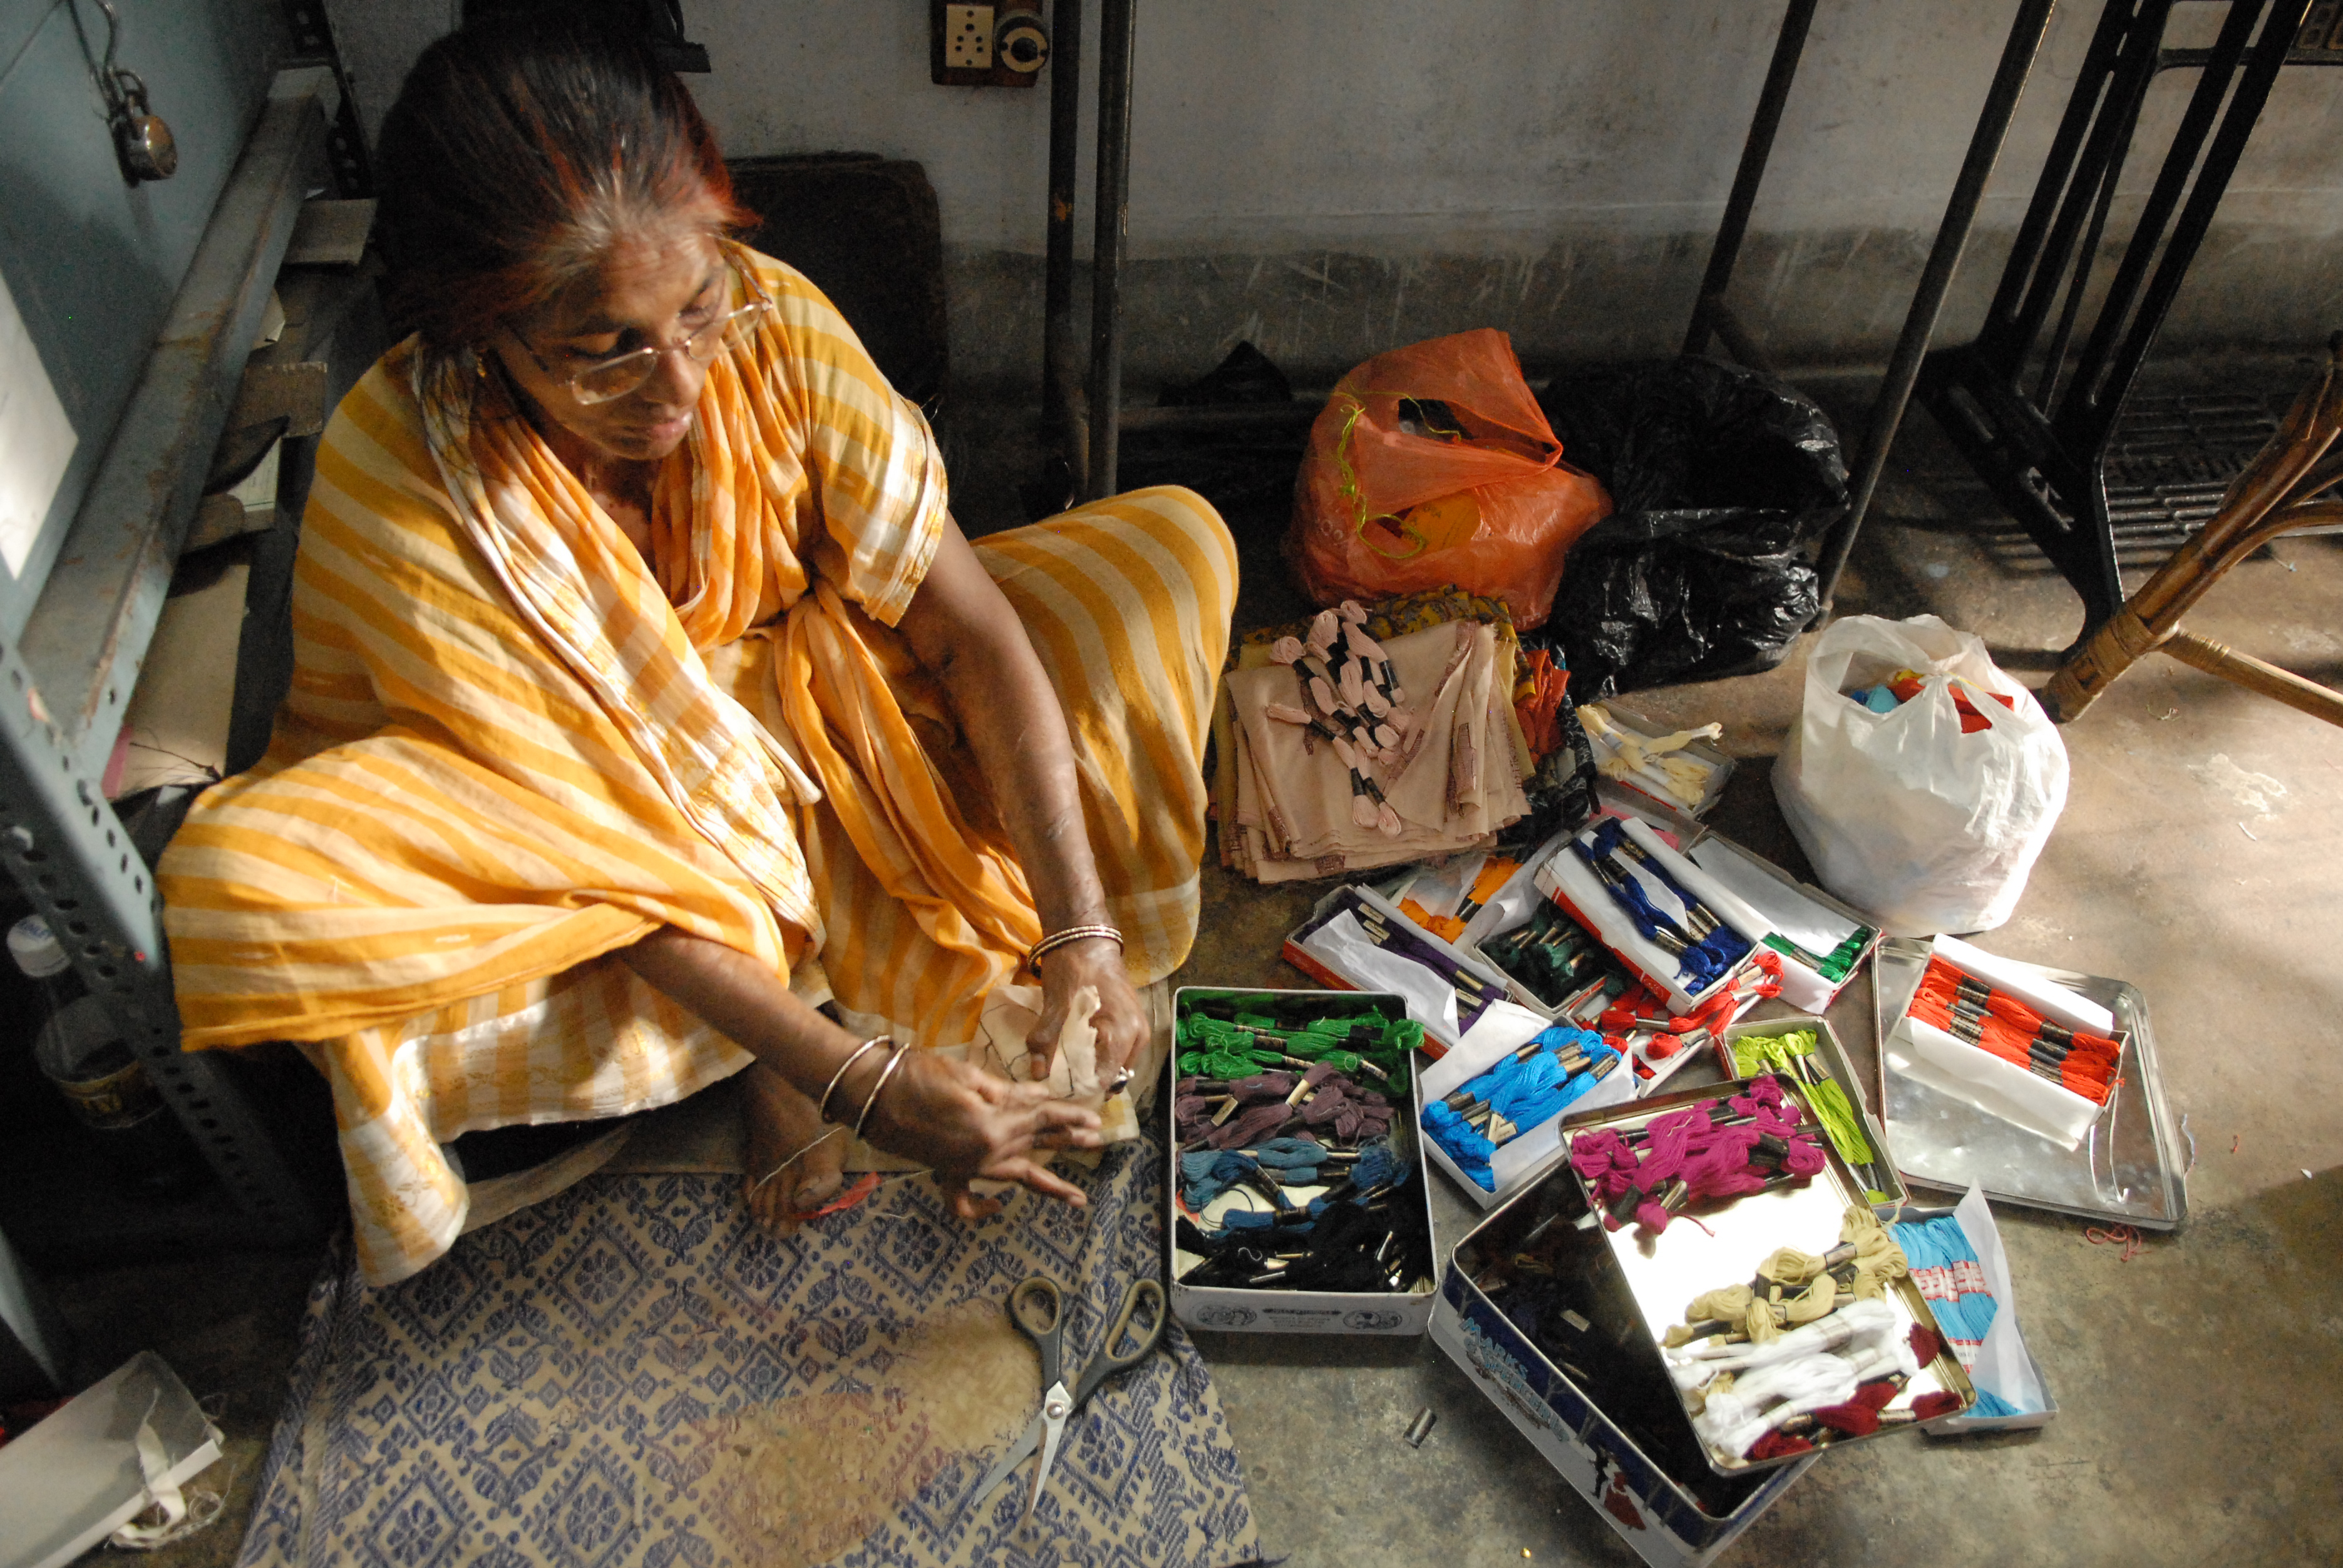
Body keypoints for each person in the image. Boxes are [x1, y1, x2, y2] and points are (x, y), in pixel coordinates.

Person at [155, 19, 1235, 1286]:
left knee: (1170, 555)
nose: (675, 383)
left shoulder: (767, 322)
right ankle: (791, 1033)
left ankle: (821, 977)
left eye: (696, 306)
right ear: (478, 334)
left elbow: (962, 622)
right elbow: (594, 851)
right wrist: (855, 1077)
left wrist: (1080, 933)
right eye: (604, 348)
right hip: (599, 830)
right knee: (264, 891)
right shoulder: (406, 475)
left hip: (816, 707)